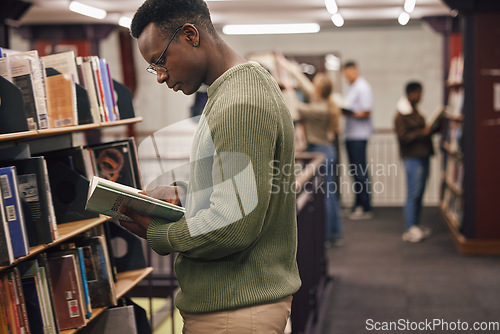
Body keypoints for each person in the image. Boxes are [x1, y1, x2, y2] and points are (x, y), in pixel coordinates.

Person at [119, 0, 302, 332]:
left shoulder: (239, 103)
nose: (160, 76)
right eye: (152, 67)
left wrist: (157, 232)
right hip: (237, 303)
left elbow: (232, 227)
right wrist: (186, 195)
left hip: (235, 309)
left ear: (190, 35)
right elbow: (249, 188)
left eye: (160, 61)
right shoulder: (236, 90)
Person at [278, 57, 343, 246]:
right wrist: (286, 66)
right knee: (325, 194)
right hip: (322, 149)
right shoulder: (321, 100)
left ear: (319, 90)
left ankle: (331, 235)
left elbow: (296, 109)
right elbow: (303, 82)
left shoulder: (319, 109)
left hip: (323, 152)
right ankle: (332, 234)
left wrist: (288, 91)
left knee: (327, 195)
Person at [394, 81, 435, 243]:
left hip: (423, 155)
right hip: (412, 158)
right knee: (414, 192)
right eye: (418, 93)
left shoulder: (415, 111)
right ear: (410, 94)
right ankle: (411, 227)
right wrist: (422, 132)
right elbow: (403, 138)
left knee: (419, 193)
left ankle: (416, 224)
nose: (420, 97)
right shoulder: (401, 115)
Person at [341, 61, 374, 220]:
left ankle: (364, 206)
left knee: (360, 172)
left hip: (358, 136)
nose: (346, 77)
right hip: (351, 135)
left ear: (354, 70)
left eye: (347, 73)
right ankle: (357, 204)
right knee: (355, 172)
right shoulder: (353, 88)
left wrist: (348, 113)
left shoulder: (363, 87)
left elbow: (366, 112)